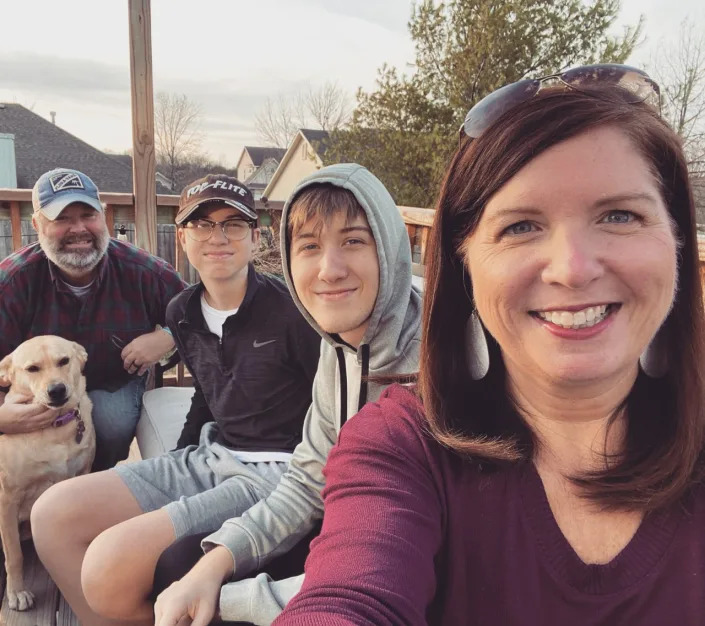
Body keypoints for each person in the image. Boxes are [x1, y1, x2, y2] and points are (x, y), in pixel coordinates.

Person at [273, 65, 705, 625]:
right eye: (522, 226)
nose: (573, 269)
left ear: (675, 240)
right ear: (464, 263)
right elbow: (350, 595)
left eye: (620, 215)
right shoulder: (401, 446)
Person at [31, 174, 321, 625]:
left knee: (110, 564)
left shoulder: (295, 313)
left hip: (276, 473)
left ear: (256, 236)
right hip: (209, 455)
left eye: (233, 224)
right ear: (182, 238)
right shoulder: (181, 311)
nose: (218, 237)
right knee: (52, 514)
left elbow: (330, 414)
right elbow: (207, 393)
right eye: (202, 225)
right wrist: (181, 457)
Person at [152, 163, 422, 626]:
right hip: (337, 518)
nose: (329, 269)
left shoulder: (431, 370)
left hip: (393, 570)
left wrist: (232, 601)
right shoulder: (339, 348)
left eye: (354, 241)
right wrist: (216, 561)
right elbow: (307, 481)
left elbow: (397, 565)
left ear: (390, 247)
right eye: (310, 246)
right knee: (182, 566)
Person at [0, 167, 185, 471]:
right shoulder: (11, 282)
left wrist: (167, 337)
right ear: (36, 224)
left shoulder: (145, 272)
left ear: (104, 216)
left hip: (113, 384)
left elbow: (201, 312)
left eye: (88, 215)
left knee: (110, 422)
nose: (78, 229)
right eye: (62, 219)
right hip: (37, 393)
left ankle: (97, 485)